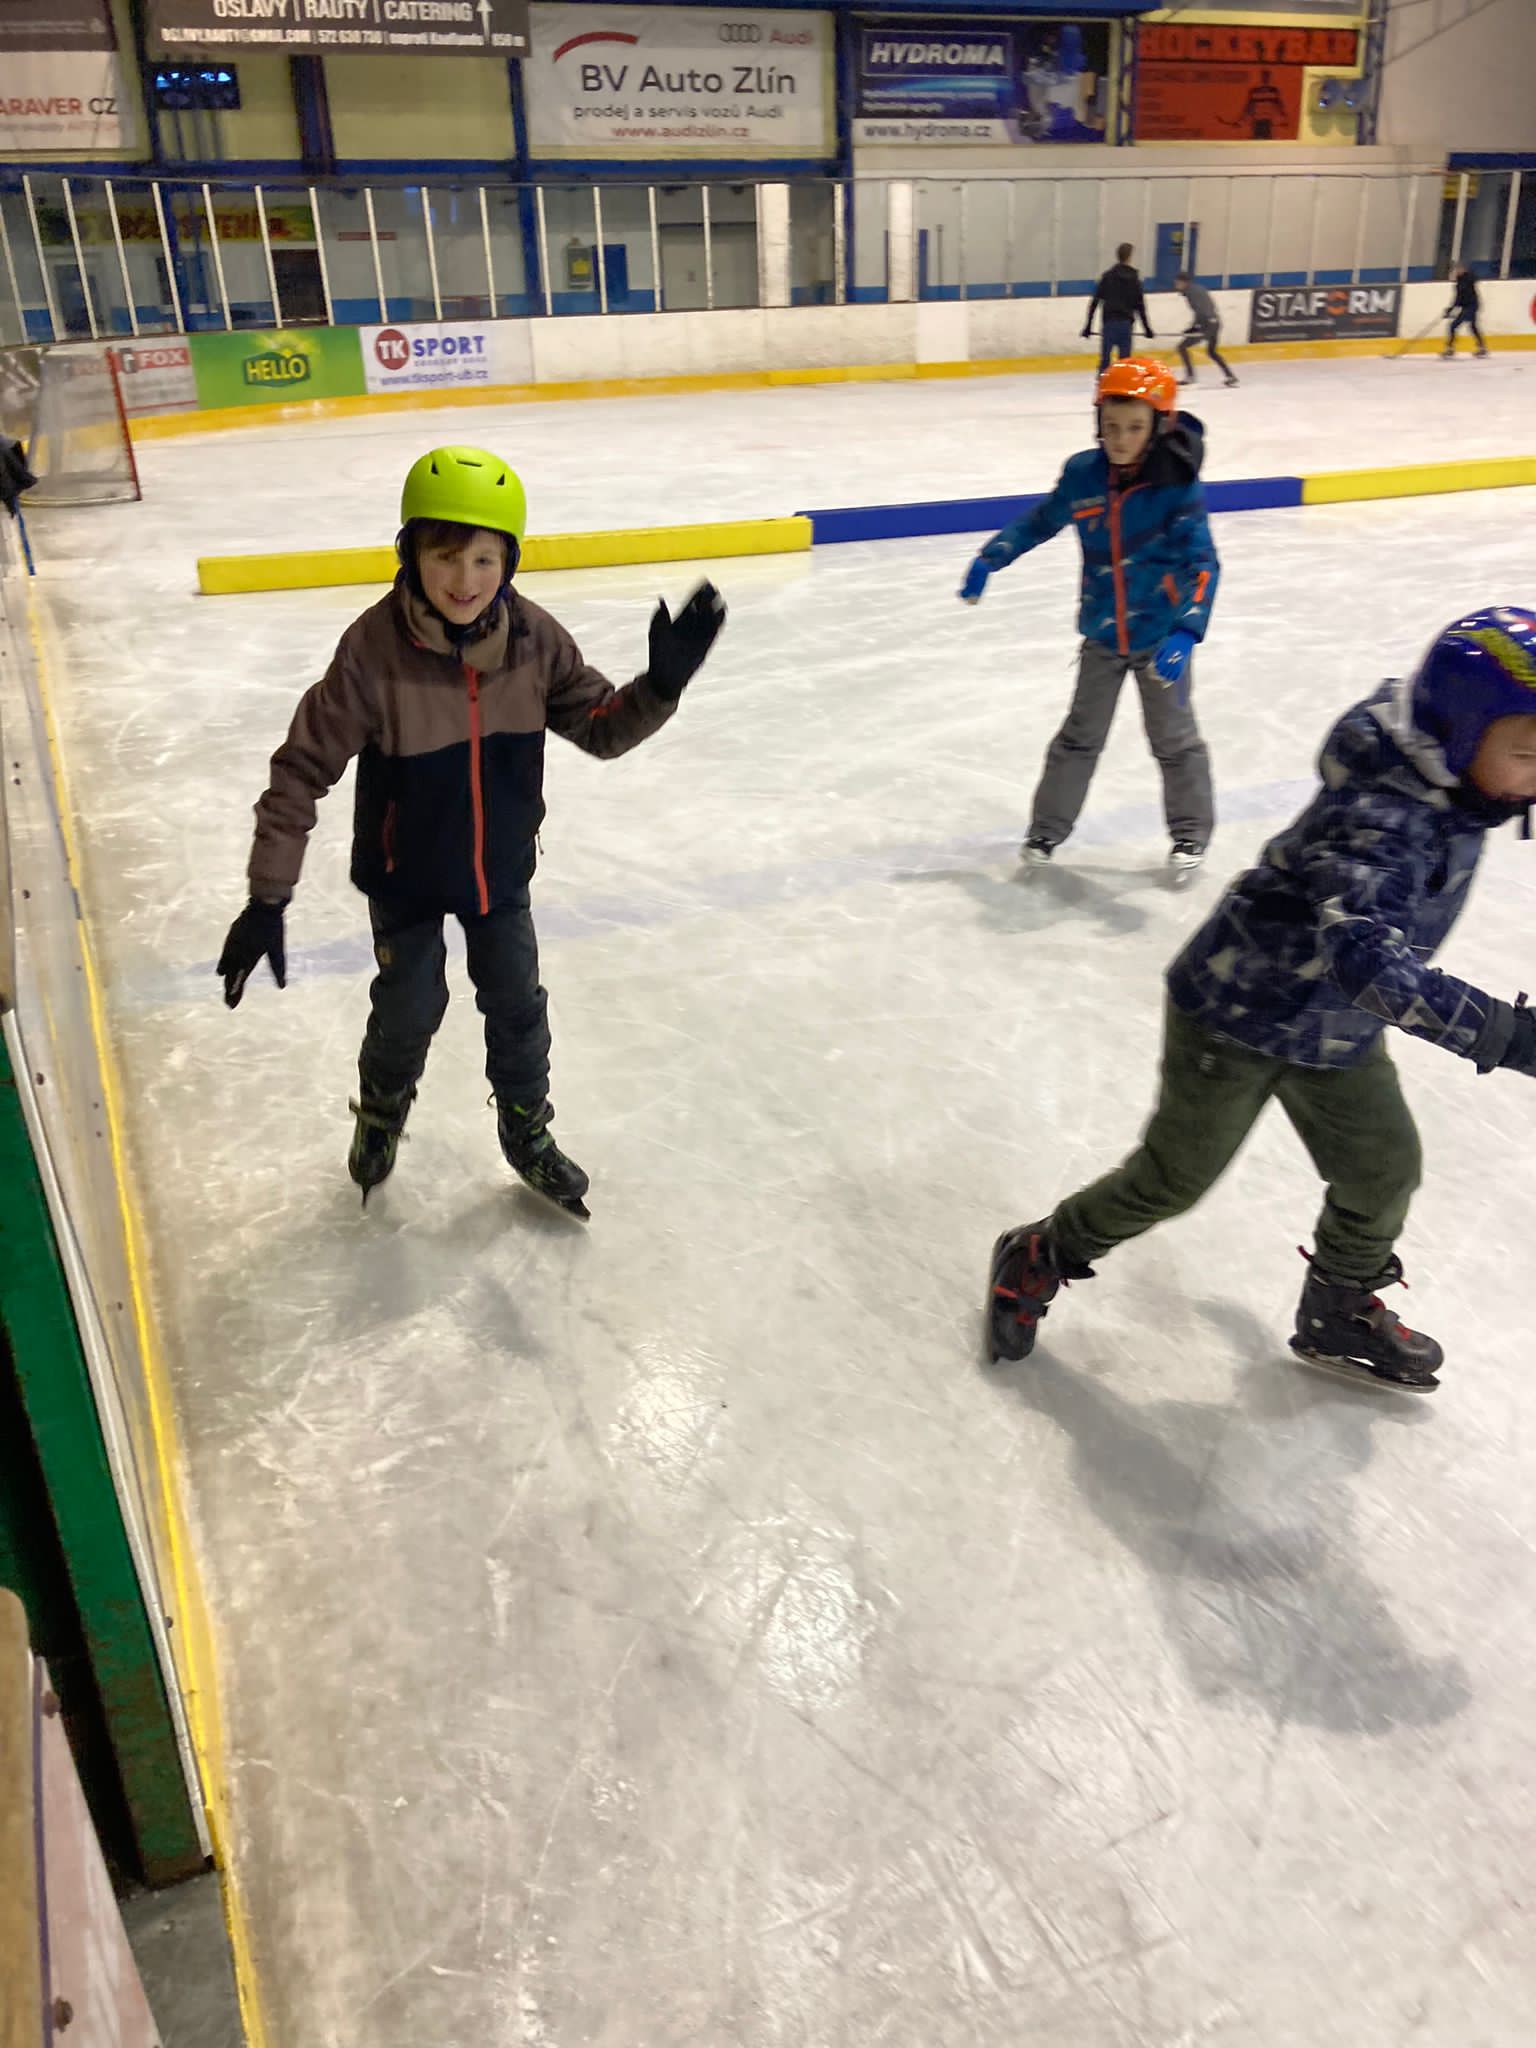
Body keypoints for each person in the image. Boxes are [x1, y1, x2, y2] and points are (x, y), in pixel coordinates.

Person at [986, 607, 1536, 1392]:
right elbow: (1370, 964)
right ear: (1459, 733)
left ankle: (1338, 1307)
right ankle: (1042, 1250)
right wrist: (1508, 1035)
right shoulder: (1382, 819)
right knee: (1171, 1180)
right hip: (1236, 1015)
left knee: (1382, 1171)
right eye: (1527, 753)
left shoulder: (1460, 784)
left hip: (1333, 1029)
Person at [216, 444, 725, 1217]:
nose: (464, 579)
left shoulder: (534, 640)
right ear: (411, 554)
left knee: (518, 1005)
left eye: (485, 559)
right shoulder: (371, 653)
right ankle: (382, 1111)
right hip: (406, 876)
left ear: (509, 561)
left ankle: (526, 1129)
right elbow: (300, 771)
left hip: (499, 871)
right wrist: (267, 898)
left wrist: (660, 685)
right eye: (445, 555)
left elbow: (599, 727)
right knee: (408, 1008)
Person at [958, 355, 1218, 876]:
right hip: (1102, 634)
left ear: (1158, 426)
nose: (1120, 439)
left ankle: (1190, 833)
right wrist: (992, 557)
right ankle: (1047, 830)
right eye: (1111, 426)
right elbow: (1041, 520)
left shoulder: (1176, 485)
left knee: (1174, 739)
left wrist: (1186, 631)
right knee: (1078, 738)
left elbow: (1202, 563)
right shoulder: (1083, 476)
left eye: (1134, 427)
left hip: (1160, 637)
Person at [1082, 243, 1154, 374]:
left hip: (1109, 323)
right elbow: (1140, 306)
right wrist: (1147, 328)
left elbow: (1095, 302)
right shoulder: (1134, 279)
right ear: (1129, 257)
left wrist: (1088, 326)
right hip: (1126, 324)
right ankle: (1122, 382)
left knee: (1105, 360)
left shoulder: (1107, 277)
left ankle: (1103, 381)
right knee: (1124, 363)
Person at [1173, 271, 1238, 388]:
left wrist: (1195, 327)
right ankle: (1230, 376)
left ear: (1183, 282)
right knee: (1212, 352)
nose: (1176, 285)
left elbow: (1201, 310)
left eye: (1177, 283)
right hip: (1215, 322)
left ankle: (1190, 376)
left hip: (1207, 325)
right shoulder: (1198, 289)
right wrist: (1194, 327)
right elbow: (1207, 308)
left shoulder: (1191, 292)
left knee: (1182, 347)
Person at [1442, 265, 1488, 359]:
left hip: (1472, 306)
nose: (1454, 273)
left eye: (1456, 270)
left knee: (1453, 326)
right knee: (1472, 327)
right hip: (1468, 307)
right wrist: (1450, 309)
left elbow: (1474, 278)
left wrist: (1466, 273)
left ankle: (1450, 348)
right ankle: (1482, 347)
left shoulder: (1468, 278)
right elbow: (1458, 299)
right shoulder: (1458, 284)